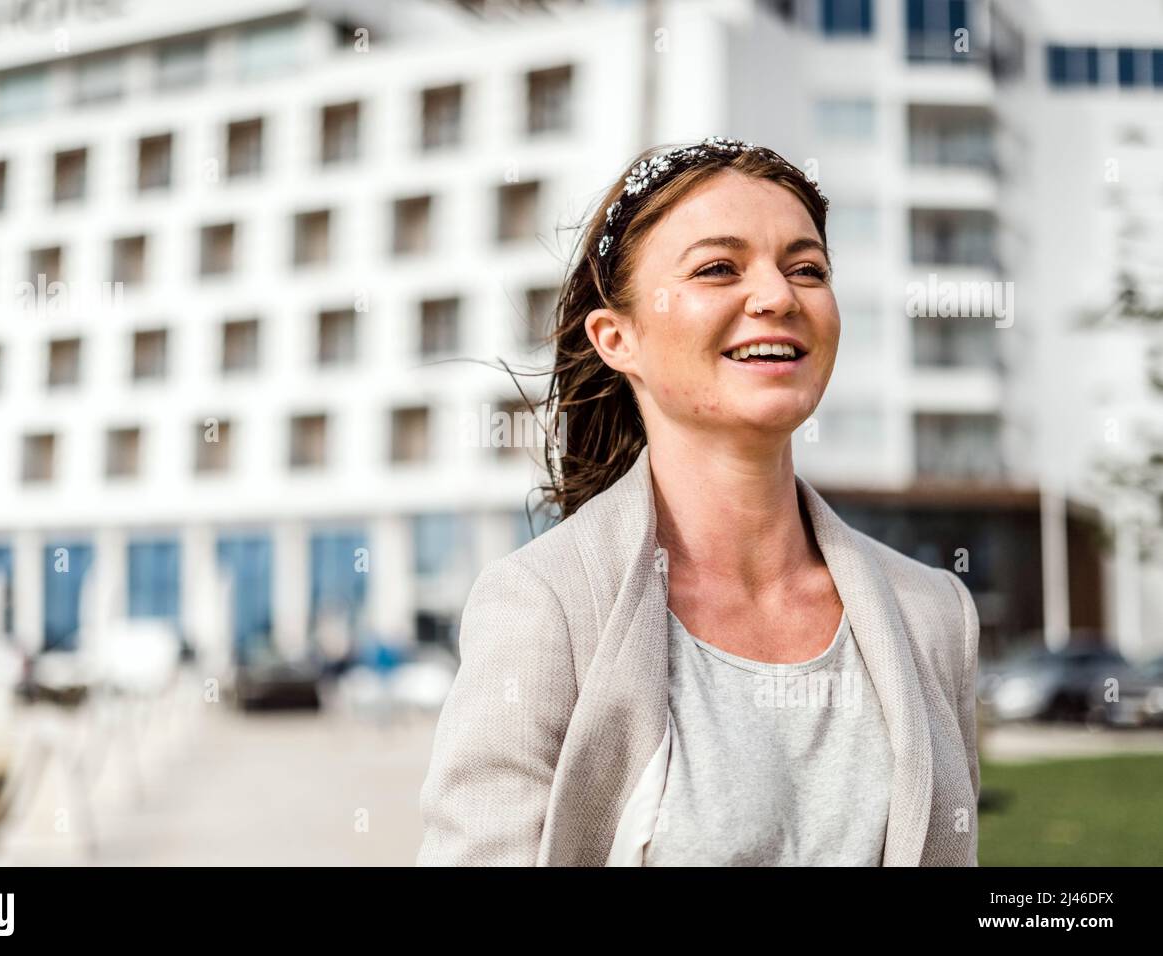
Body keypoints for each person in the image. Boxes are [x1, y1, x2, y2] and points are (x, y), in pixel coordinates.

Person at [416, 137, 980, 867]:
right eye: (719, 268)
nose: (778, 296)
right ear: (618, 338)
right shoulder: (544, 607)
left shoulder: (933, 613)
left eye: (806, 268)